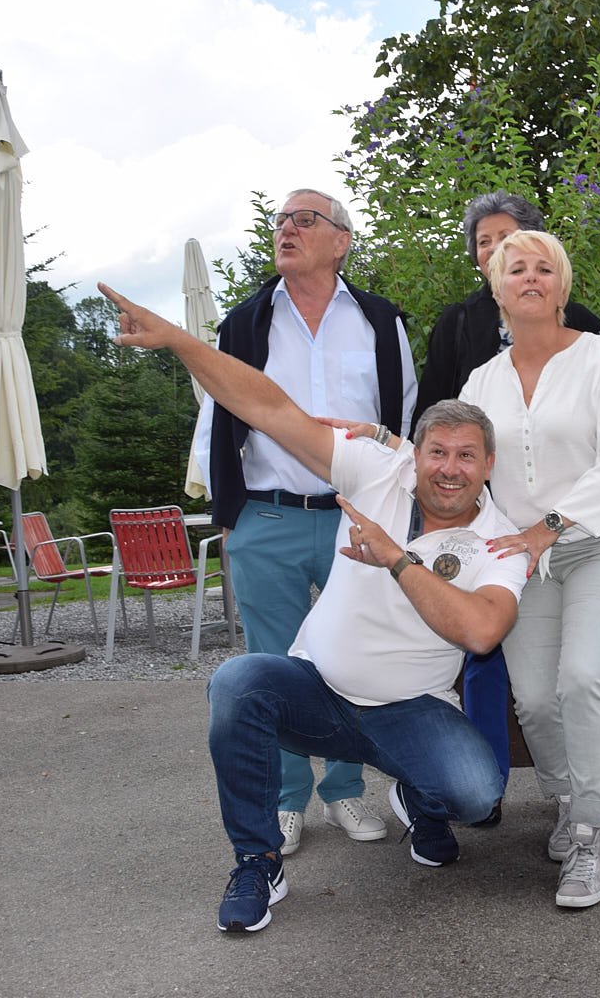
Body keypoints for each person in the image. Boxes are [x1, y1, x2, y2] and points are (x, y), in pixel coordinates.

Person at [101, 281, 527, 934]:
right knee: (238, 681)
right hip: (318, 693)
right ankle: (257, 861)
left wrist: (396, 558)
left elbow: (482, 630)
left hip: (411, 710)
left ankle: (419, 796)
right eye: (437, 452)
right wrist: (180, 341)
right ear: (414, 454)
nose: (450, 469)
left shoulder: (501, 540)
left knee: (475, 795)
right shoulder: (375, 470)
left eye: (466, 455)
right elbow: (269, 406)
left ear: (489, 464)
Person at [203, 188, 416, 854]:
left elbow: (404, 417)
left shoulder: (380, 321)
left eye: (304, 220)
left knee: (354, 656)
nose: (286, 230)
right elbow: (214, 423)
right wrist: (230, 517)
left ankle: (346, 790)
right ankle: (287, 800)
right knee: (272, 667)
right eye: (280, 221)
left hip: (357, 519)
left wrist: (398, 511)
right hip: (268, 517)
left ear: (340, 241)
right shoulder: (243, 324)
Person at [460, 229, 600, 908]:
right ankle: (569, 803)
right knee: (535, 699)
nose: (531, 278)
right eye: (516, 269)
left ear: (562, 286)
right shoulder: (481, 381)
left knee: (581, 677)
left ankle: (593, 833)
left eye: (545, 268)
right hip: (523, 558)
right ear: (497, 288)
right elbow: (465, 469)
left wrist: (550, 527)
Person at [412, 191, 600, 828]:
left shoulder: (591, 338)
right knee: (504, 678)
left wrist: (547, 527)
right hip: (498, 536)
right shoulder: (463, 337)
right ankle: (502, 789)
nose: (500, 253)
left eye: (515, 243)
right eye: (487, 245)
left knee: (574, 677)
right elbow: (442, 431)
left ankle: (585, 812)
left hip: (583, 536)